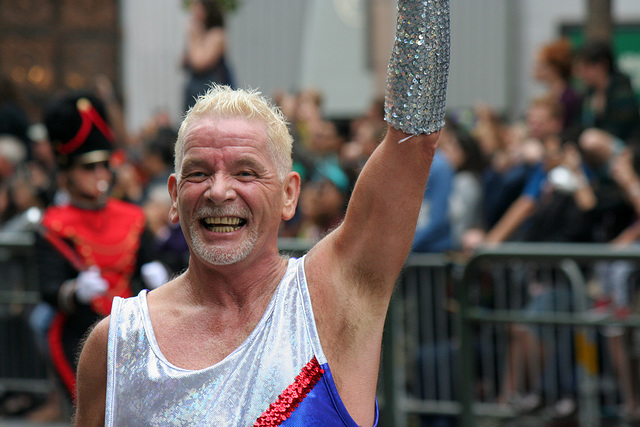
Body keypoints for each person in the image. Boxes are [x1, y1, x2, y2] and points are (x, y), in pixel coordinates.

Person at [73, 0, 450, 425]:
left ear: (289, 195)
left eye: (246, 172)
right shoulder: (119, 345)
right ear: (175, 197)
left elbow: (414, 141)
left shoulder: (334, 297)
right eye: (199, 173)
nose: (219, 191)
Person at [34, 91, 169, 405]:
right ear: (67, 173)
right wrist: (74, 290)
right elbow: (48, 287)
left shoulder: (132, 216)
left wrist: (159, 276)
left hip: (130, 330)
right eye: (88, 168)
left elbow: (149, 264)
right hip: (79, 332)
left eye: (103, 166)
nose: (99, 175)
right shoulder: (53, 225)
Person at [182, 0, 234, 113]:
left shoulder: (217, 35)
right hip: (193, 86)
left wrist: (194, 38)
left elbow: (199, 63)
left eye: (197, 7)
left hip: (210, 87)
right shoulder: (200, 34)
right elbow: (183, 62)